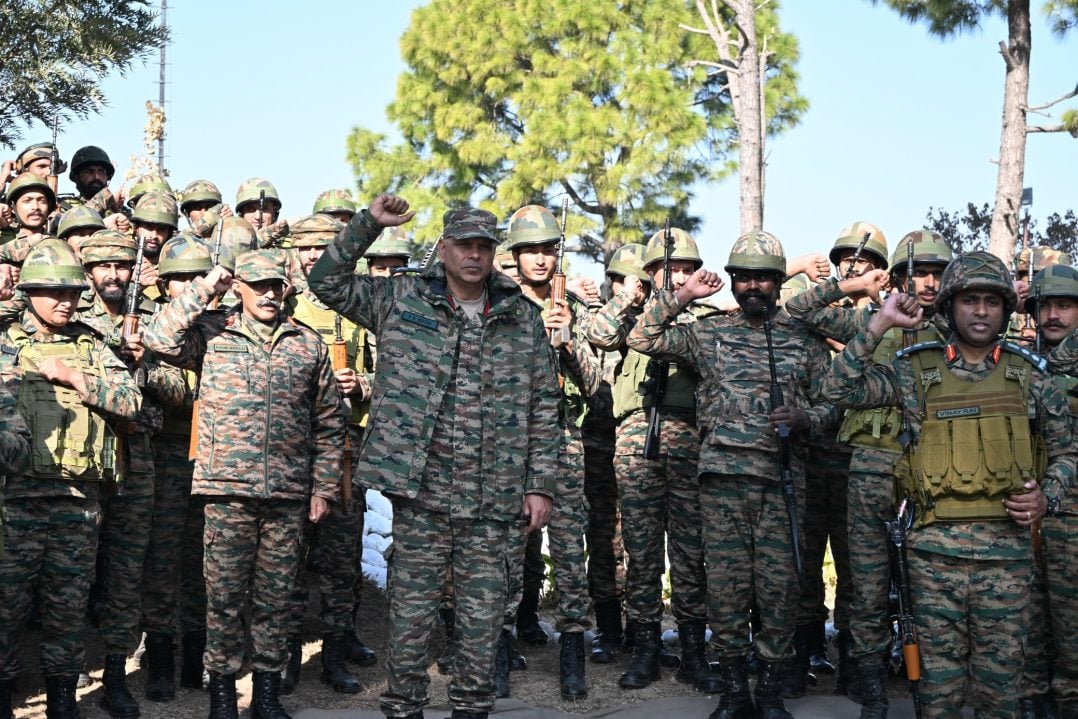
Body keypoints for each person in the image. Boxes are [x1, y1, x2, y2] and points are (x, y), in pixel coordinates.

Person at [307, 194, 560, 719]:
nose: (473, 255)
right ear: (442, 249)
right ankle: (404, 708)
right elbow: (325, 281)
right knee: (411, 614)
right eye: (463, 245)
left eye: (483, 247)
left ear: (495, 254)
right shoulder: (400, 299)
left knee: (482, 617)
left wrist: (540, 484)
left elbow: (544, 403)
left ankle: (472, 708)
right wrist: (368, 224)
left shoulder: (521, 317)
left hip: (495, 494)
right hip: (420, 488)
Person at [821, 252, 1075, 719]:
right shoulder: (916, 372)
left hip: (1008, 558)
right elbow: (835, 390)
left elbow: (1067, 452)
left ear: (1005, 310)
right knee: (938, 695)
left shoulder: (1029, 377)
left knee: (1000, 695)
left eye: (992, 302)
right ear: (950, 306)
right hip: (932, 559)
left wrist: (1047, 496)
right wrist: (877, 325)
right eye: (970, 300)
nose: (981, 311)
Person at [627, 230, 836, 719]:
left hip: (781, 484)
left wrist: (806, 419)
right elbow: (643, 337)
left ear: (779, 282)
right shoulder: (710, 333)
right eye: (743, 278)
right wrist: (681, 295)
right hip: (720, 483)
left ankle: (769, 689)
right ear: (734, 282)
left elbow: (832, 404)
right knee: (725, 591)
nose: (753, 287)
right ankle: (734, 689)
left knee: (779, 592)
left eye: (763, 278)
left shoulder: (803, 340)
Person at [143, 249, 346, 719]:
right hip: (226, 491)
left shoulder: (307, 344)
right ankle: (222, 698)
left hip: (287, 494)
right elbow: (159, 336)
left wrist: (323, 488)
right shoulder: (214, 335)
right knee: (223, 601)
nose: (270, 294)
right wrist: (208, 283)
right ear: (241, 288)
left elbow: (330, 423)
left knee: (277, 601)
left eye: (277, 285)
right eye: (259, 285)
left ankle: (267, 697)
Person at [784, 229, 952, 715]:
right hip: (871, 466)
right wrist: (853, 290)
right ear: (899, 278)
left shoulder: (957, 334)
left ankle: (932, 677)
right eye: (917, 273)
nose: (927, 283)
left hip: (932, 470)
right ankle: (868, 677)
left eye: (937, 274)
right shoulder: (869, 319)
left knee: (928, 581)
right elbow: (799, 311)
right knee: (866, 582)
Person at [0, 239, 140, 719]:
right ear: (29, 292)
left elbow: (133, 404)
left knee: (68, 608)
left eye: (72, 293)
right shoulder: (6, 345)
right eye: (51, 292)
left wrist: (79, 380)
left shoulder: (92, 347)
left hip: (77, 501)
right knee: (6, 608)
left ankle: (64, 703)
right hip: (15, 502)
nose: (64, 301)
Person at [585, 234, 718, 693]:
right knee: (641, 550)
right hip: (636, 434)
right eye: (665, 268)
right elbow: (598, 334)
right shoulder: (631, 313)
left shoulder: (706, 316)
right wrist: (631, 295)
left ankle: (693, 650)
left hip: (690, 434)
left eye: (684, 266)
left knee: (689, 550)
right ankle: (643, 647)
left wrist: (683, 301)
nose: (676, 275)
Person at [77, 229, 186, 719]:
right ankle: (70, 671)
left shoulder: (153, 324)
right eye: (105, 266)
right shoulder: (71, 319)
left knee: (126, 573)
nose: (115, 275)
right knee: (76, 573)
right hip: (81, 465)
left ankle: (117, 675)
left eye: (123, 266)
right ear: (89, 271)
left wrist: (147, 361)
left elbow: (180, 392)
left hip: (136, 463)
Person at [501, 203, 601, 701]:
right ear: (515, 254)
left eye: (548, 250)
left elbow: (594, 384)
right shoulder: (500, 304)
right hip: (507, 442)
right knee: (504, 549)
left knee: (569, 549)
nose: (540, 260)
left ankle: (573, 650)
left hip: (562, 439)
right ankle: (497, 645)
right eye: (530, 251)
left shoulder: (572, 307)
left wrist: (565, 341)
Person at [282, 214, 377, 695]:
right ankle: (286, 660)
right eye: (305, 249)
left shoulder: (357, 303)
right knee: (290, 560)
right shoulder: (280, 301)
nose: (312, 257)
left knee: (342, 560)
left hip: (346, 450)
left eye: (324, 247)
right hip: (291, 449)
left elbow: (395, 374)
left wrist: (361, 384)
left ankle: (336, 657)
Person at [139, 234, 213, 701]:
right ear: (164, 285)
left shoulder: (224, 326)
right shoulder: (148, 325)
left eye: (196, 278)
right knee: (162, 560)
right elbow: (153, 380)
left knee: (205, 562)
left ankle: (198, 657)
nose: (188, 287)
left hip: (213, 455)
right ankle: (162, 658)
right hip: (167, 454)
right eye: (180, 279)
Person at [1025, 264, 1078, 718]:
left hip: (1071, 518)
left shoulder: (1043, 365)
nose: (1054, 316)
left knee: (1071, 625)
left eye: (1064, 305)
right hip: (1025, 514)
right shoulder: (1020, 362)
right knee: (1029, 619)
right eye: (1044, 306)